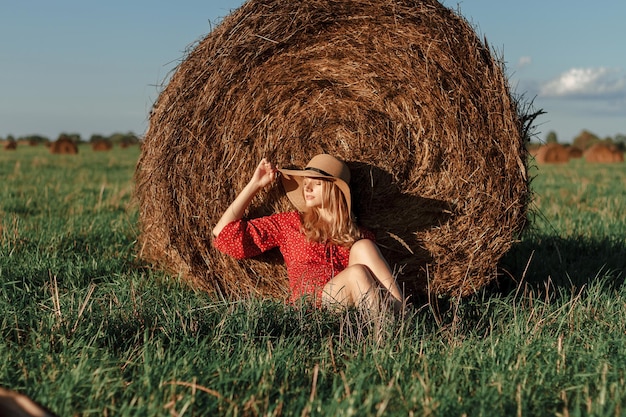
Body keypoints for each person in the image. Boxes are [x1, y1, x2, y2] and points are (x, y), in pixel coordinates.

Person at [212, 154, 404, 312]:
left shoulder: (359, 235)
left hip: (348, 305)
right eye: (305, 183)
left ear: (334, 190)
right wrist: (255, 185)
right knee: (356, 273)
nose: (307, 187)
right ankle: (386, 335)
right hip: (313, 307)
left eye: (317, 184)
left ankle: (403, 316)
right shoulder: (290, 223)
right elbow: (223, 234)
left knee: (364, 247)